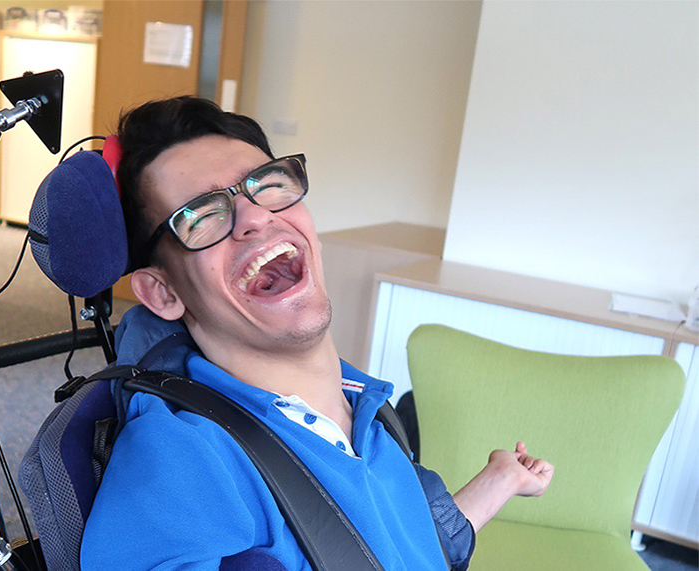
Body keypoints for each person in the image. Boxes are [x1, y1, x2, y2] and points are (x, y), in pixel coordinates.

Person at [80, 97, 554, 570]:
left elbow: (401, 549)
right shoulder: (184, 459)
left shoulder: (366, 405)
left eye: (265, 185)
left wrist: (500, 480)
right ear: (162, 292)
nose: (255, 217)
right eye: (202, 214)